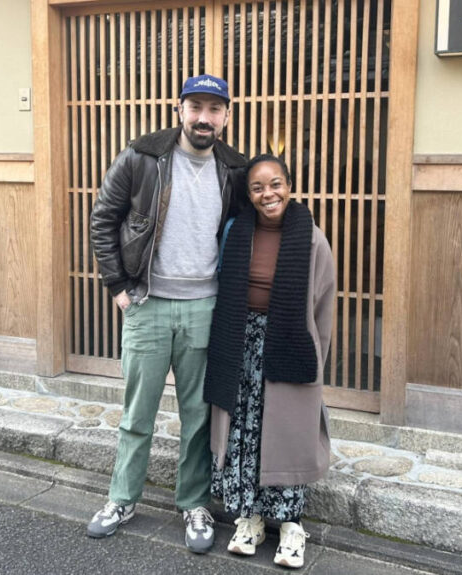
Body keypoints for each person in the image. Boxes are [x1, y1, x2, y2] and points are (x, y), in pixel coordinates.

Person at [86, 74, 246, 553]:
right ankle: (122, 498)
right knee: (139, 412)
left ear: (225, 117)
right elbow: (103, 218)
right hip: (148, 303)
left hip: (205, 306)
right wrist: (117, 286)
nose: (204, 117)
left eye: (214, 109)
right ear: (179, 109)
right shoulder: (142, 156)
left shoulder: (234, 168)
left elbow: (250, 227)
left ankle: (194, 503)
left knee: (198, 415)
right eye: (195, 106)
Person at [203, 154, 336, 569]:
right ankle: (250, 518)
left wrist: (315, 363)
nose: (268, 194)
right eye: (258, 188)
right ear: (249, 194)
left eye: (275, 184)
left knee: (285, 433)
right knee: (244, 429)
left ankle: (291, 525)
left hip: (288, 344)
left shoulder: (311, 238)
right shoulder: (236, 232)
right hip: (240, 342)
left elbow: (324, 307)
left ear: (289, 186)